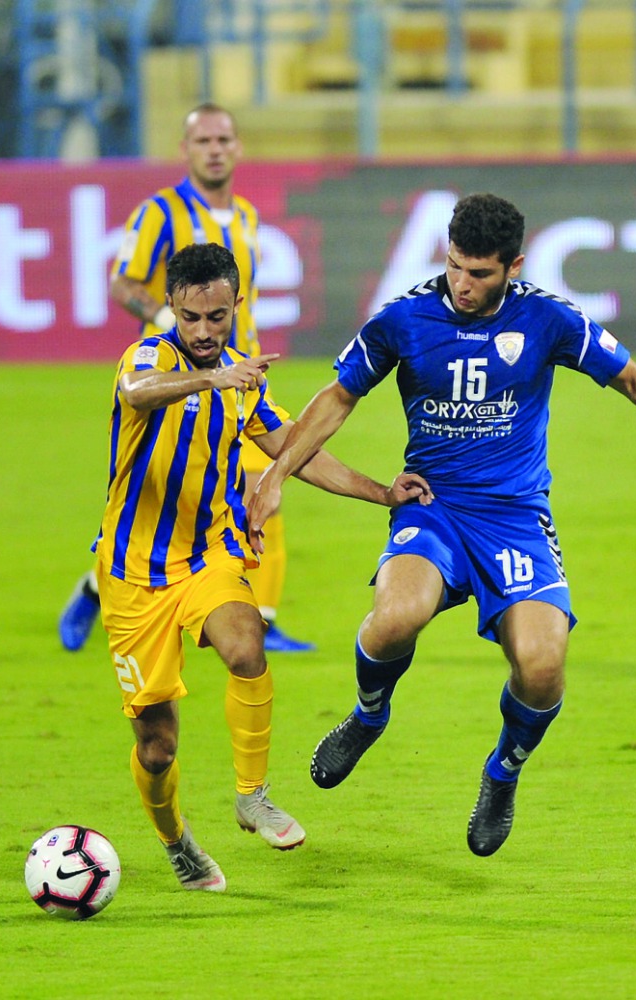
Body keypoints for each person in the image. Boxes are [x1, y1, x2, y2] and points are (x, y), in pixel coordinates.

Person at [246, 192, 636, 858]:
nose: (463, 283)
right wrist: (275, 477)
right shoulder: (403, 320)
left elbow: (632, 375)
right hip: (434, 505)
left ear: (512, 266)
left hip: (515, 517)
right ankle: (369, 716)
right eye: (456, 266)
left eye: (480, 273)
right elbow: (335, 399)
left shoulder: (548, 319)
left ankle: (502, 774)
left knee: (542, 666)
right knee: (396, 615)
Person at [94, 241, 431, 890]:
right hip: (133, 575)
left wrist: (380, 492)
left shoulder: (245, 386)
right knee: (157, 746)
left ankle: (253, 795)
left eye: (216, 318)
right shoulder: (151, 357)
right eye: (190, 318)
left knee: (246, 644)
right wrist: (211, 375)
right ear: (171, 308)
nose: (202, 331)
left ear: (235, 306)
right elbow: (138, 393)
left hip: (207, 558)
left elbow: (297, 451)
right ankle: (176, 839)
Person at [60, 102, 313, 654]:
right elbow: (124, 283)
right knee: (172, 496)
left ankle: (259, 616)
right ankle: (96, 586)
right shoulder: (159, 213)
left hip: (235, 375)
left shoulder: (245, 215)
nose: (215, 149)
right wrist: (173, 334)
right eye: (204, 141)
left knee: (264, 481)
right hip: (183, 375)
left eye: (224, 139)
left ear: (238, 147)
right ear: (186, 150)